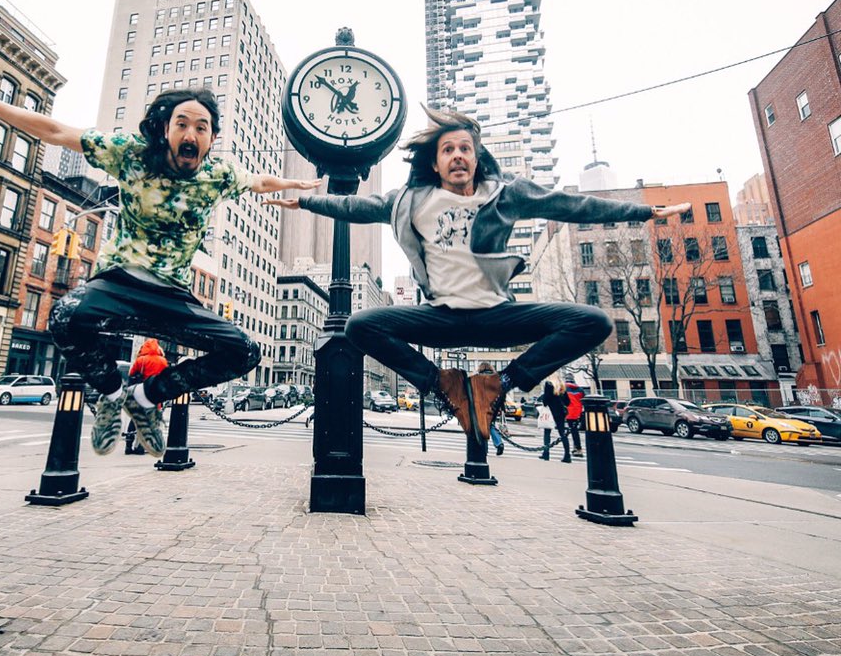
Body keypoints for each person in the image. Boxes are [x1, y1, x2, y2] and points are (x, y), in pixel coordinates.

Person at [0, 69, 318, 456]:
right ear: (166, 129)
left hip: (172, 295)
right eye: (182, 125)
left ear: (212, 139)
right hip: (118, 283)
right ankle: (110, 393)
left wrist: (297, 188)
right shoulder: (131, 153)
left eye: (201, 128)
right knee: (64, 316)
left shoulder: (218, 175)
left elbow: (258, 181)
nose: (191, 135)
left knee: (246, 352)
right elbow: (56, 131)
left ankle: (145, 397)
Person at [266, 106, 691, 445]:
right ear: (435, 163)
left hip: (496, 317)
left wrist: (645, 212)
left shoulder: (506, 194)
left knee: (593, 322)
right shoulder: (411, 201)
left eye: (464, 149)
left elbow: (572, 206)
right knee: (360, 326)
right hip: (441, 317)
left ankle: (498, 385)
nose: (457, 156)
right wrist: (304, 204)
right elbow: (358, 207)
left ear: (476, 156)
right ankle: (445, 386)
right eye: (448, 150)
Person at [125, 339, 169, 455]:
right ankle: (143, 446)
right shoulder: (163, 361)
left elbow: (131, 375)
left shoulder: (141, 360)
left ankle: (129, 445)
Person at [538, 376, 571, 463]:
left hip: (551, 411)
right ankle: (567, 455)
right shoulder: (562, 385)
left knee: (547, 433)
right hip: (561, 412)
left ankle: (546, 453)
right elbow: (568, 402)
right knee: (562, 433)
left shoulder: (548, 384)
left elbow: (546, 400)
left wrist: (544, 401)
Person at [477, 361, 505, 455]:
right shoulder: (496, 378)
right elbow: (501, 393)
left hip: (482, 405)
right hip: (494, 406)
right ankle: (499, 443)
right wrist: (501, 407)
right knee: (490, 425)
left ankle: (484, 449)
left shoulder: (478, 378)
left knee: (482, 427)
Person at [564, 375, 585, 456]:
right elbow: (583, 400)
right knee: (575, 431)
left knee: (565, 432)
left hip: (567, 412)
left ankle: (572, 450)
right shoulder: (580, 389)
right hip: (577, 412)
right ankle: (577, 448)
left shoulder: (563, 388)